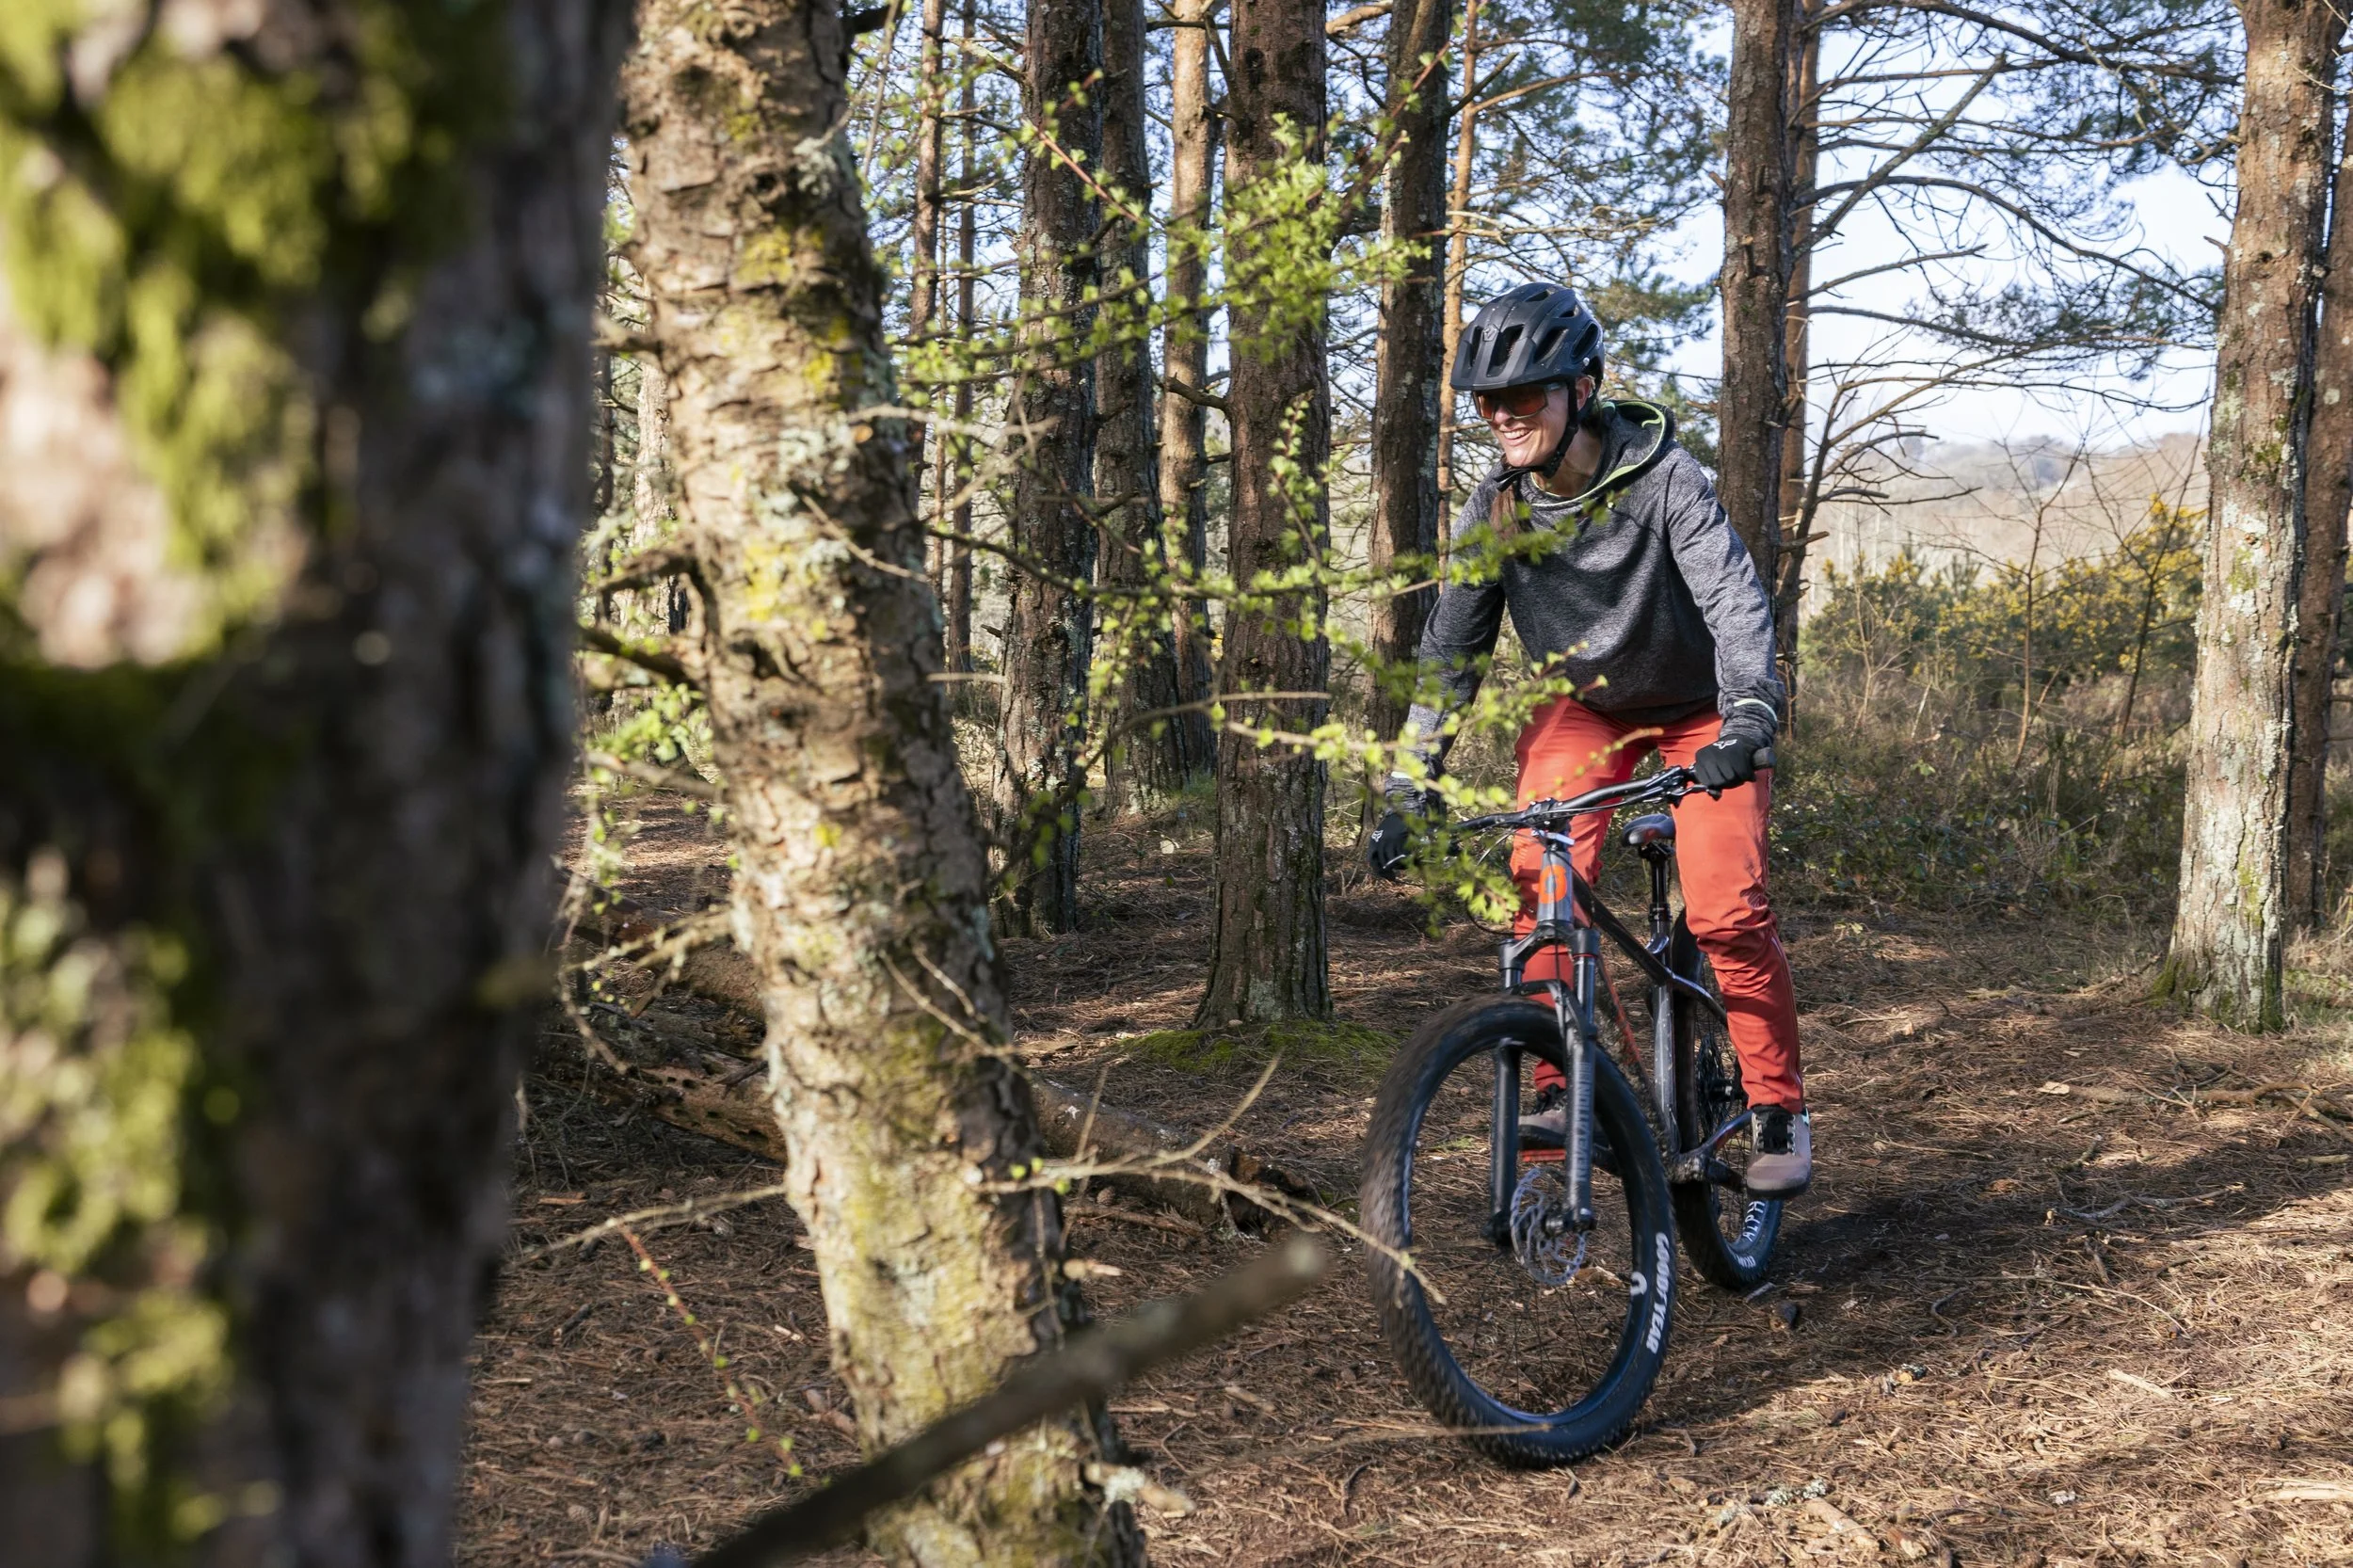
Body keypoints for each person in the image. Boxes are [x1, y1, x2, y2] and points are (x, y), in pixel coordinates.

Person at [1369, 280, 1811, 1196]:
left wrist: (1750, 717)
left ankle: (1776, 1107)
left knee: (1725, 908)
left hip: (1701, 709)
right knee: (1543, 880)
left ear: (1580, 388)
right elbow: (1450, 654)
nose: (1501, 416)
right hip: (1589, 706)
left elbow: (1735, 604)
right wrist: (1408, 783)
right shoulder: (1496, 511)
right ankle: (1560, 1086)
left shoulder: (1662, 483)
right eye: (1488, 402)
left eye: (1523, 396)